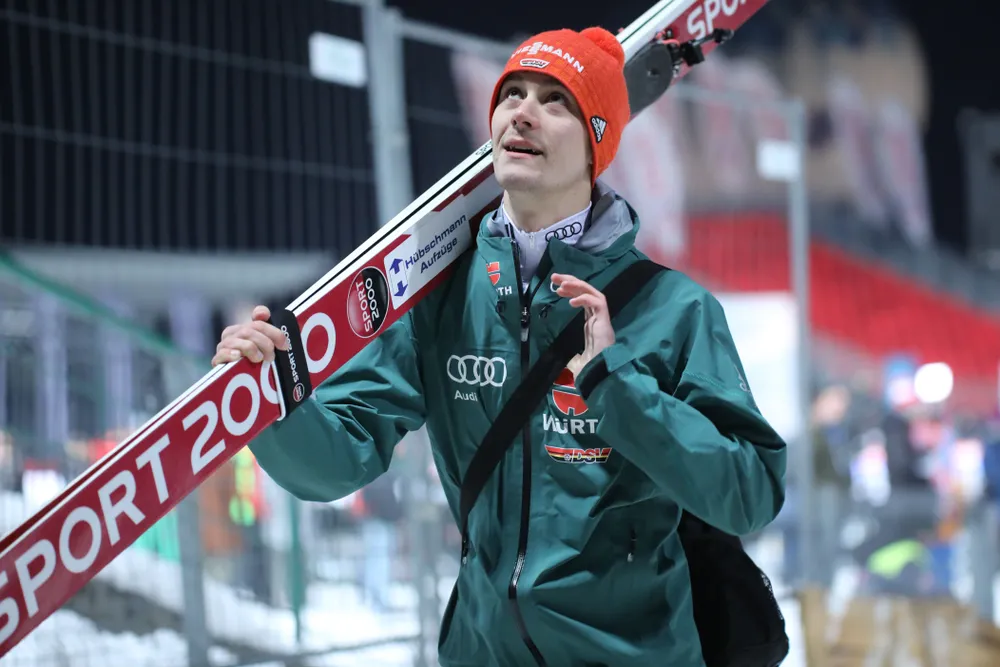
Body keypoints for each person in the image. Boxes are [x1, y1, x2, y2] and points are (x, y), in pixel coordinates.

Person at [213, 26, 787, 667]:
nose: (522, 111)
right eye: (511, 93)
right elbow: (339, 459)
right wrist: (273, 400)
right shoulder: (441, 297)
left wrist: (618, 387)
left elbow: (750, 492)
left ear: (598, 140)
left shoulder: (673, 308)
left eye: (555, 100)